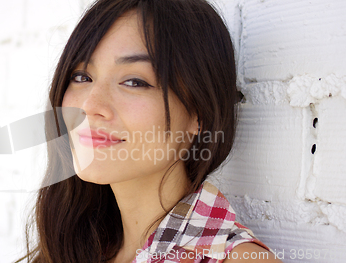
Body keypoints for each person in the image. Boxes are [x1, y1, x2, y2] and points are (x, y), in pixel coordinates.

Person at [16, 0, 283, 262]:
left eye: (134, 82)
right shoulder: (74, 245)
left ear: (199, 113)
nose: (90, 105)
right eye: (82, 77)